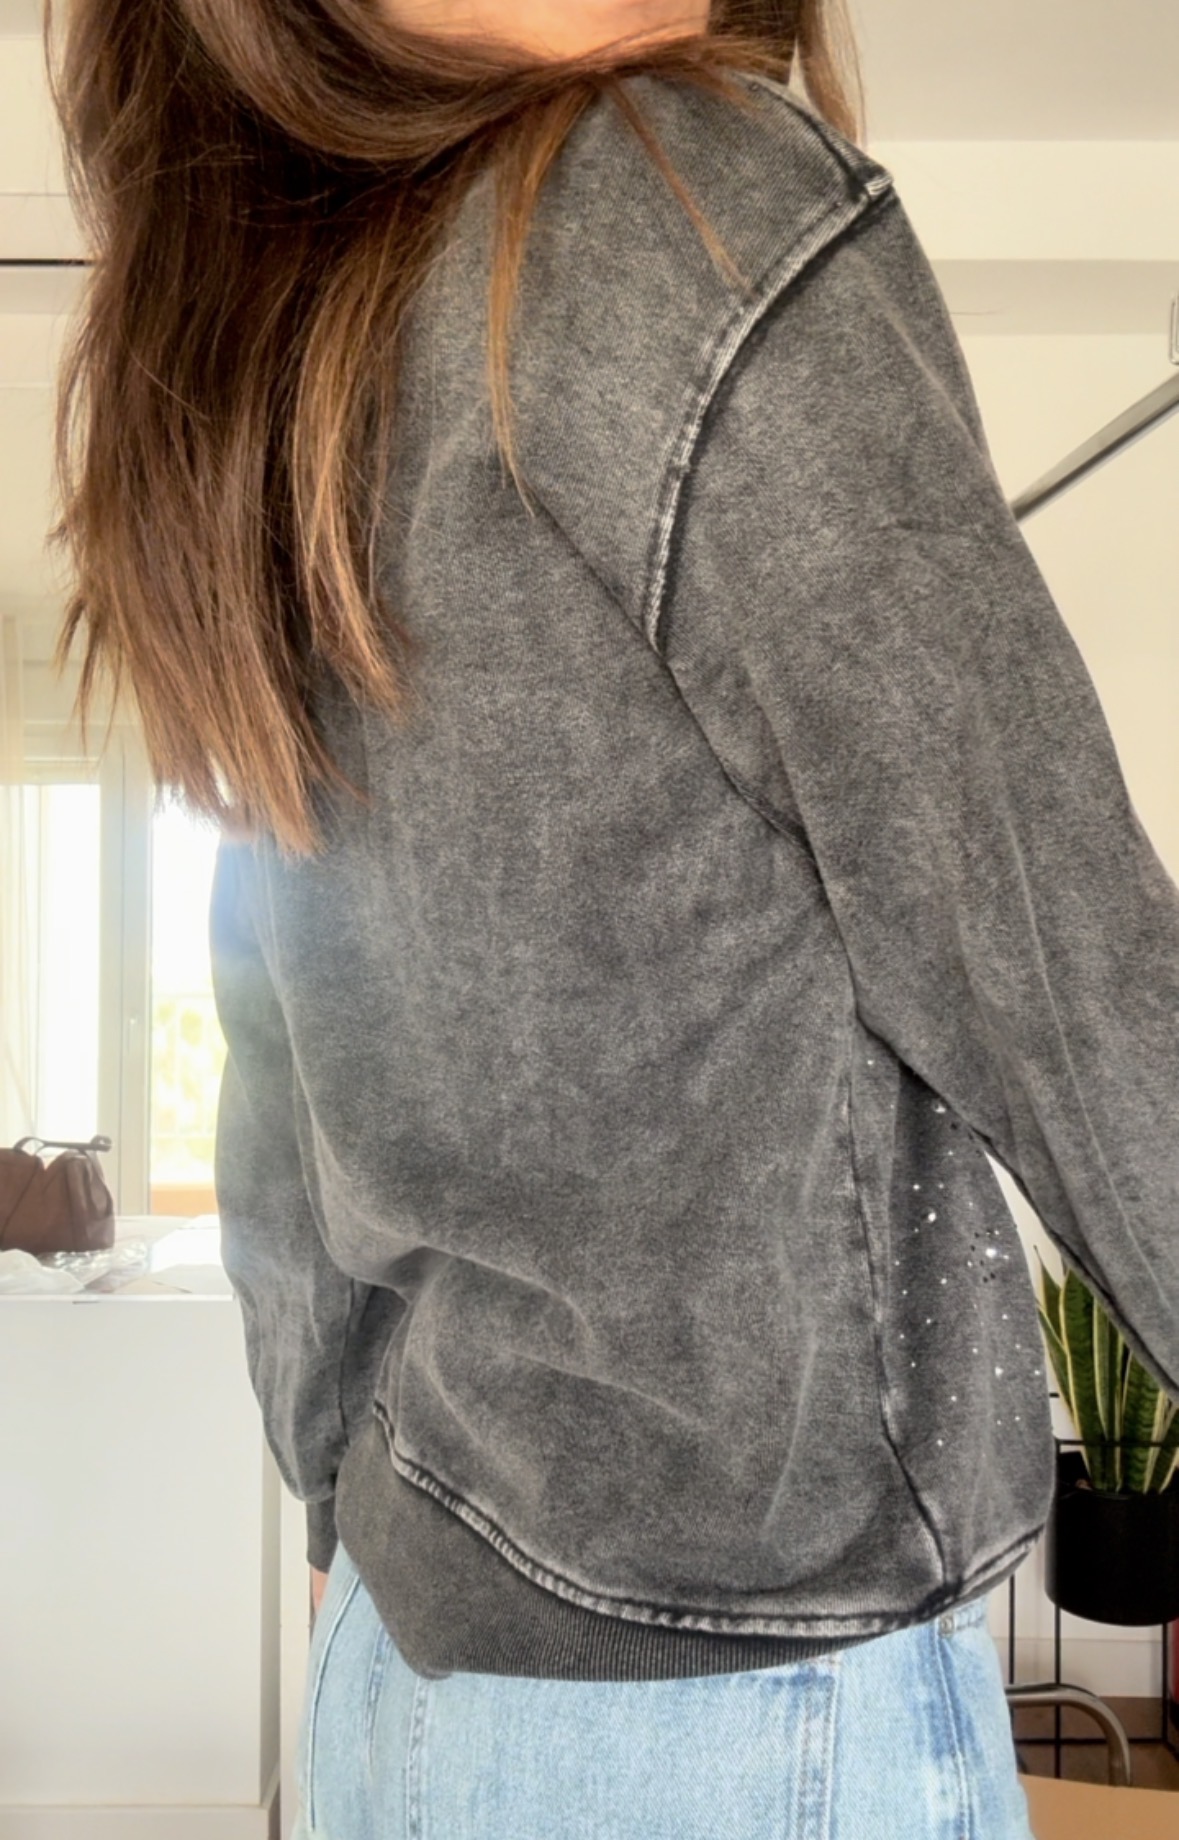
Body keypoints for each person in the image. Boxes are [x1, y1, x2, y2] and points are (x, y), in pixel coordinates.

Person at [43, 0, 1179, 1834]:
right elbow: (1058, 956)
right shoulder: (676, 203)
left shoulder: (302, 350)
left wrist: (335, 1505)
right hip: (745, 1705)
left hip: (397, 1674)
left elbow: (273, 1061)